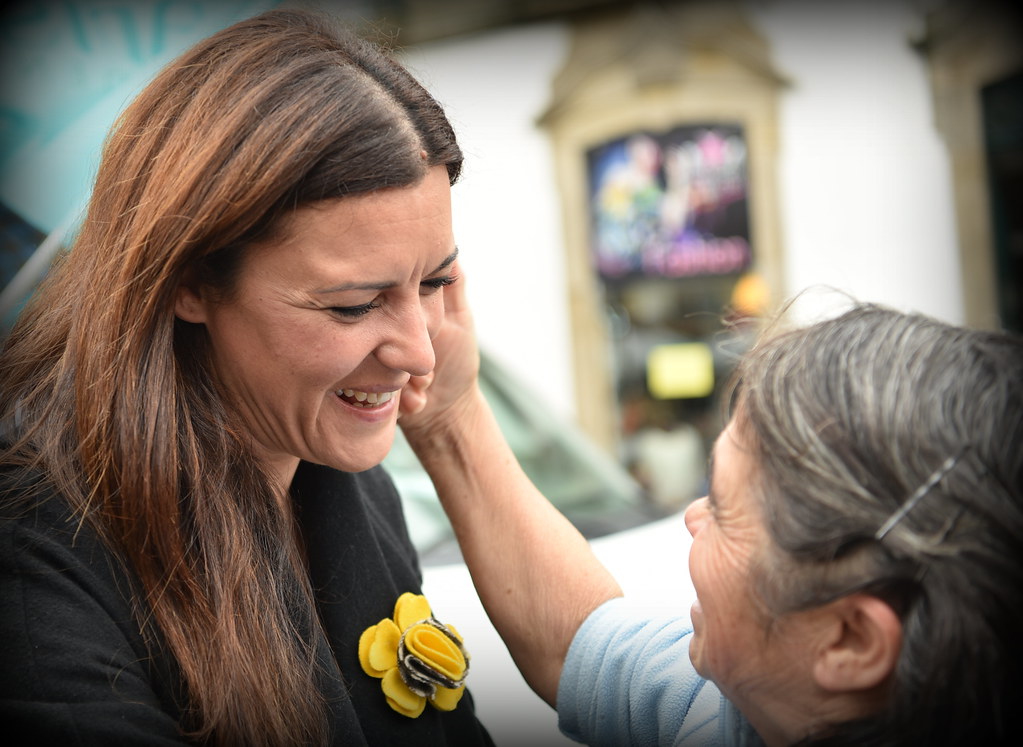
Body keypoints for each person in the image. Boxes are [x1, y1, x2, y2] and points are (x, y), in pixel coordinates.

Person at [0, 9, 494, 746]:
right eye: (355, 304)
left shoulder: (346, 484)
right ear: (189, 280)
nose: (421, 353)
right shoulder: (37, 545)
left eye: (434, 283)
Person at [399, 290, 1023, 745]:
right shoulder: (752, 709)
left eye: (723, 508)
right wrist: (446, 416)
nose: (692, 518)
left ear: (851, 641)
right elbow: (577, 650)